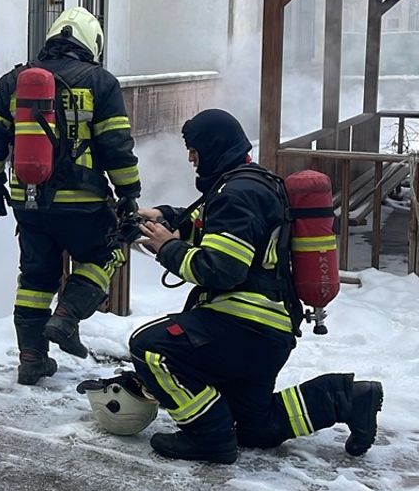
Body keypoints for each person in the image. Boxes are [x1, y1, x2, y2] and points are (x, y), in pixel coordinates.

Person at [128, 108, 383, 464]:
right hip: (269, 333)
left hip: (242, 326)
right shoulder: (252, 183)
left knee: (149, 347)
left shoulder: (237, 192)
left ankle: (209, 440)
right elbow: (213, 228)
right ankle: (350, 398)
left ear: (213, 147)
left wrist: (166, 248)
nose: (191, 159)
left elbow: (221, 268)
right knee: (254, 427)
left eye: (195, 150)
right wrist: (166, 218)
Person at [0, 7, 141, 385]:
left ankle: (31, 359)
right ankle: (67, 317)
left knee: (35, 277)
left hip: (28, 200)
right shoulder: (101, 82)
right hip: (83, 201)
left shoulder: (13, 80)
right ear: (92, 43)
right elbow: (115, 142)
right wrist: (129, 191)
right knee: (106, 252)